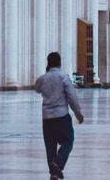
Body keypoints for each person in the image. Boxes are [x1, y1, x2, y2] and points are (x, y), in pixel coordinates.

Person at [33, 51, 84, 180]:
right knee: (68, 141)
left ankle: (54, 173)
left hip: (47, 118)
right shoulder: (63, 77)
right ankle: (58, 163)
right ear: (59, 63)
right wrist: (77, 113)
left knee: (50, 145)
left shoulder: (43, 78)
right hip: (61, 116)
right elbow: (72, 96)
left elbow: (37, 88)